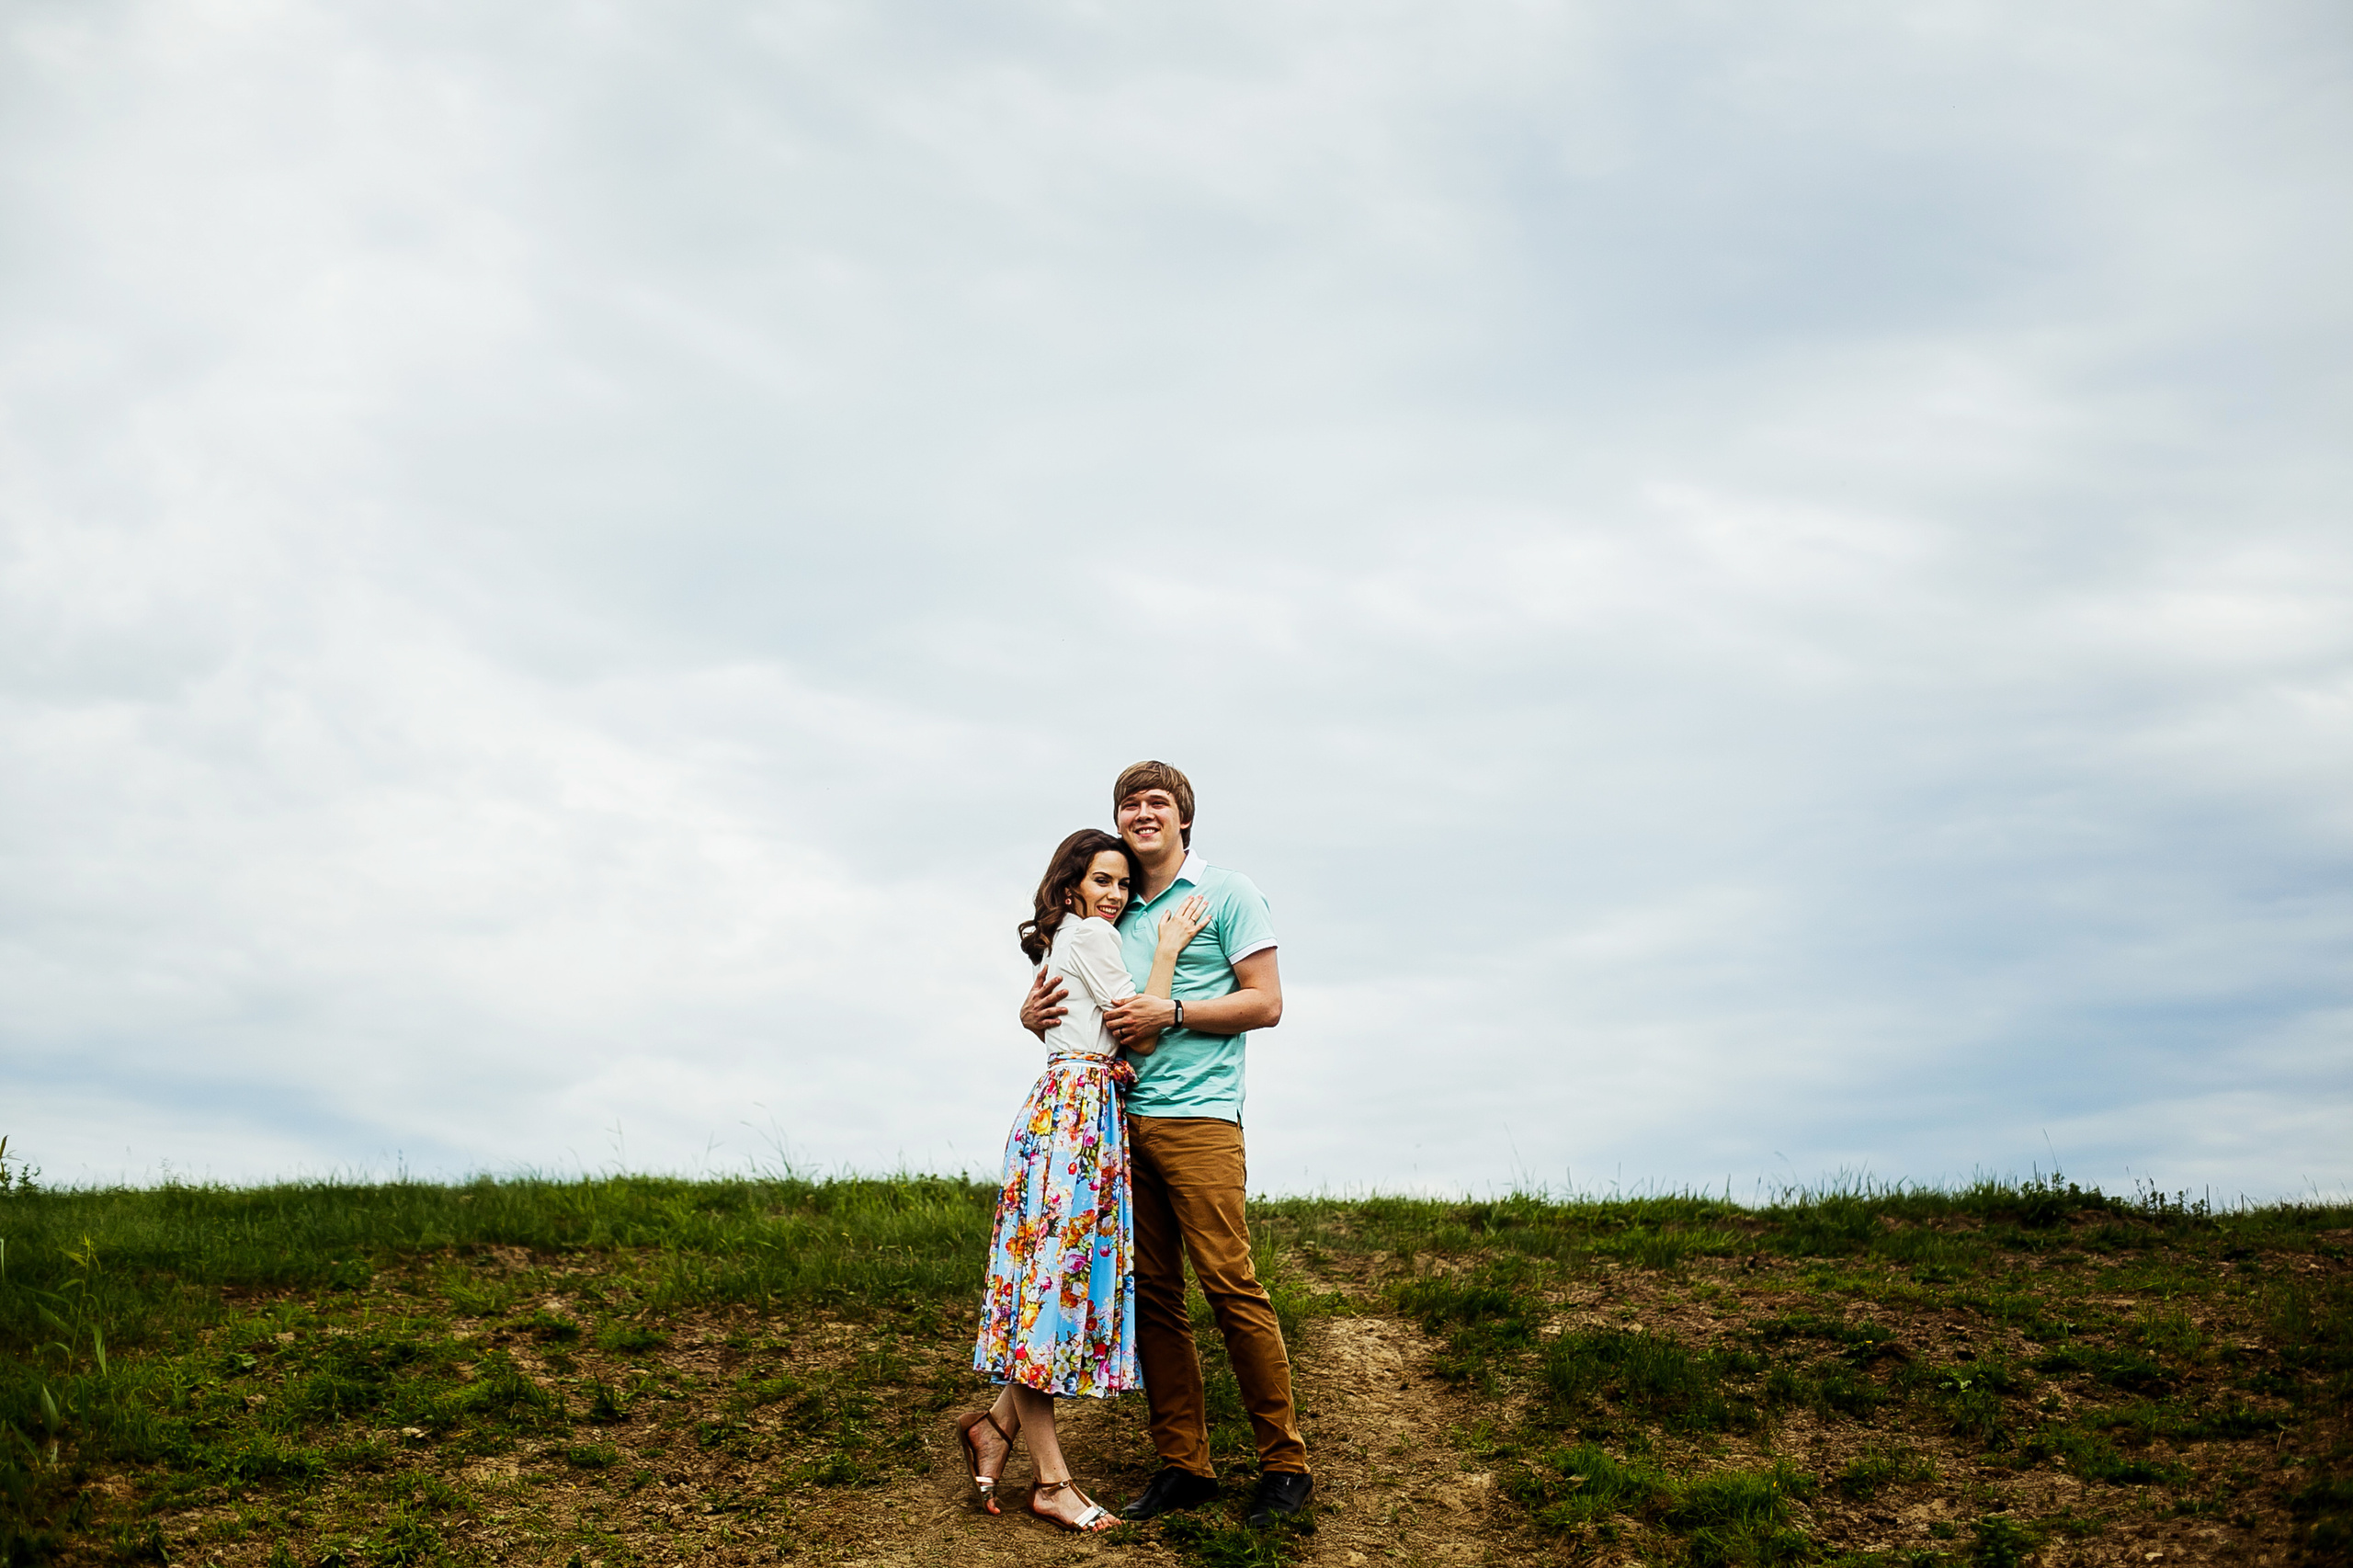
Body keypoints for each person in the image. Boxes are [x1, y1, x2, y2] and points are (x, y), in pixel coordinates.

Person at [1019, 760, 1313, 1528]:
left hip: (1201, 1120)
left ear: (1184, 817)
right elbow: (1080, 996)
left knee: (1230, 1286)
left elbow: (1268, 1002)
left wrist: (1172, 1013)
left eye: (1158, 801)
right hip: (1118, 1124)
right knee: (1154, 1297)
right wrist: (1031, 1013)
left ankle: (1285, 1467)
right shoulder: (1114, 904)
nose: (1142, 811)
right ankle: (1184, 1464)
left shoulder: (1228, 893)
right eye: (1129, 802)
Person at [957, 828, 1210, 1532]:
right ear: (1072, 887)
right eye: (1104, 880)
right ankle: (1052, 1482)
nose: (1117, 894)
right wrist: (1165, 951)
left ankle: (994, 1428)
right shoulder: (1093, 939)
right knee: (1049, 1296)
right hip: (1074, 1121)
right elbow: (1145, 1031)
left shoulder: (1069, 937)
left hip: (1070, 1113)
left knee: (1050, 1289)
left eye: (1124, 884)